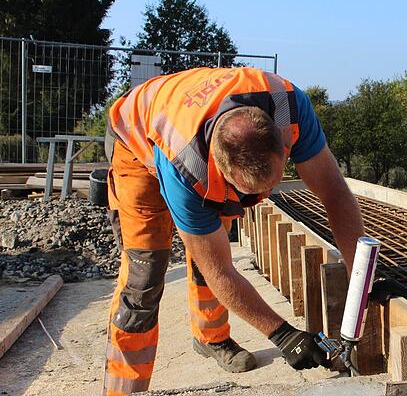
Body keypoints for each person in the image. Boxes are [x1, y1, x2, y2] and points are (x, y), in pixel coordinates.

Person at [101, 67, 364, 395]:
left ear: (283, 145)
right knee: (145, 276)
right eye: (246, 192)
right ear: (219, 169)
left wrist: (363, 276)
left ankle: (210, 338)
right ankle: (122, 389)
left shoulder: (289, 105)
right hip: (135, 140)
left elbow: (335, 192)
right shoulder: (186, 165)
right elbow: (220, 273)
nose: (255, 200)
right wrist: (283, 334)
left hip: (191, 120)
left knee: (216, 241)